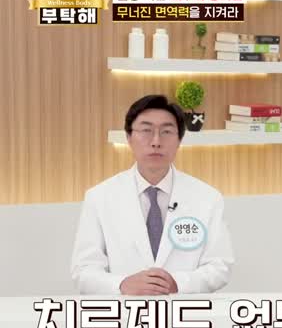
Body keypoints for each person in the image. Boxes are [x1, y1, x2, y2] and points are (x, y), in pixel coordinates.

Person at [71, 95, 234, 295]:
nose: (156, 141)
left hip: (184, 309)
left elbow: (220, 266)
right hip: (125, 310)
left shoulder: (207, 198)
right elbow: (84, 270)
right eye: (146, 130)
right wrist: (121, 284)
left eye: (166, 132)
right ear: (129, 138)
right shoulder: (99, 197)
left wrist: (179, 283)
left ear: (179, 140)